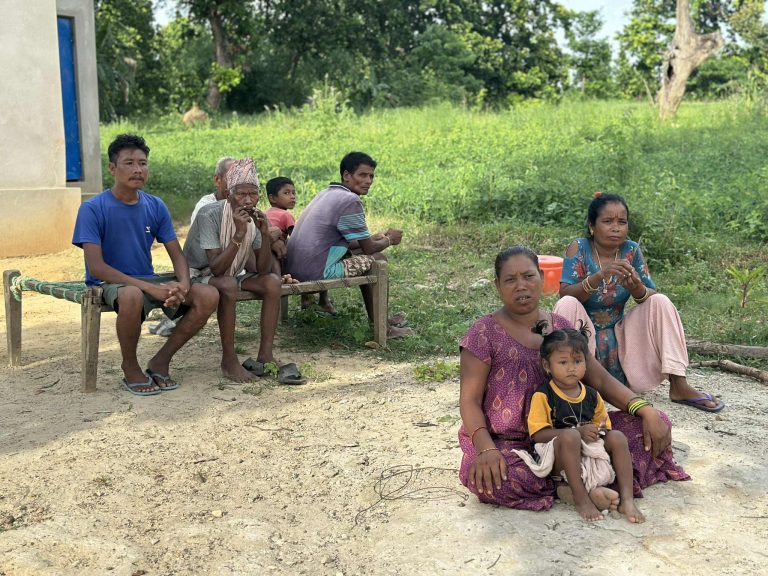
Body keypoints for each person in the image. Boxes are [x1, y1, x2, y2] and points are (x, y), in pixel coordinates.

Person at [458, 246, 689, 510]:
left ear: (542, 278)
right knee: (490, 476)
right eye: (510, 279)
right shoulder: (483, 333)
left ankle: (573, 482)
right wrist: (486, 449)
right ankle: (576, 485)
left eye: (528, 276)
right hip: (512, 444)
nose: (521, 286)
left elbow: (599, 380)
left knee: (653, 424)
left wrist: (645, 410)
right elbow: (469, 401)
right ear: (498, 286)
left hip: (575, 433)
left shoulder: (561, 327)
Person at [72, 134, 219, 396]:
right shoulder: (92, 208)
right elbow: (97, 268)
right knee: (131, 295)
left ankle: (161, 361)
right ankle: (130, 367)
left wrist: (183, 286)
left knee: (208, 294)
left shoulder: (155, 205)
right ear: (112, 168)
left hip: (146, 279)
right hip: (110, 282)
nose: (138, 169)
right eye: (129, 163)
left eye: (143, 163)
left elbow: (177, 255)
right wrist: (151, 289)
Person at [554, 193, 724, 413]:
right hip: (585, 335)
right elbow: (565, 293)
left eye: (622, 222)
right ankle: (567, 384)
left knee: (660, 301)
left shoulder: (630, 250)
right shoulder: (579, 248)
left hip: (620, 336)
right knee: (567, 304)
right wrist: (598, 277)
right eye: (607, 221)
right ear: (592, 226)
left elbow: (649, 293)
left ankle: (679, 384)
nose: (616, 228)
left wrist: (637, 288)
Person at [183, 157, 306, 384]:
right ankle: (229, 361)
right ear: (229, 194)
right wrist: (239, 234)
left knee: (272, 282)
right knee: (228, 284)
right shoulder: (209, 214)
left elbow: (262, 269)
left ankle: (266, 355)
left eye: (253, 194)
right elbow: (216, 268)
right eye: (241, 194)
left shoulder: (254, 216)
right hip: (197, 274)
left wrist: (265, 234)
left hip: (232, 271)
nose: (248, 200)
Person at [516, 324, 643, 522]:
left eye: (577, 361)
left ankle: (627, 499)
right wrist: (577, 432)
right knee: (571, 436)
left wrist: (596, 431)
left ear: (586, 362)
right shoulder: (543, 395)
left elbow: (604, 425)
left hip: (587, 452)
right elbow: (538, 435)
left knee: (617, 437)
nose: (571, 368)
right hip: (558, 457)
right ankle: (581, 498)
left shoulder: (591, 395)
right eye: (563, 362)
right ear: (547, 366)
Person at [285, 152, 412, 338]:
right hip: (315, 271)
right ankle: (382, 327)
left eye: (371, 176)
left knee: (364, 256)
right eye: (363, 175)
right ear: (346, 175)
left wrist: (372, 238)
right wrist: (389, 240)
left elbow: (347, 242)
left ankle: (381, 318)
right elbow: (369, 249)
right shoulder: (350, 200)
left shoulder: (326, 193)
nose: (368, 181)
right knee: (378, 260)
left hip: (293, 269)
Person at [150, 156, 236, 337]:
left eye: (240, 177)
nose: (236, 182)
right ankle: (175, 321)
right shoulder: (206, 207)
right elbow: (217, 249)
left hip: (222, 265)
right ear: (217, 180)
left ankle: (175, 322)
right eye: (231, 177)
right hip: (199, 267)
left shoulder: (242, 202)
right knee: (205, 287)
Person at [265, 176, 335, 315]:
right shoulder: (285, 215)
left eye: (293, 193)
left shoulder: (266, 213)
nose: (292, 197)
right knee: (315, 259)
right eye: (286, 193)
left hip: (269, 262)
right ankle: (321, 300)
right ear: (272, 198)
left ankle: (308, 299)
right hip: (282, 259)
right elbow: (299, 238)